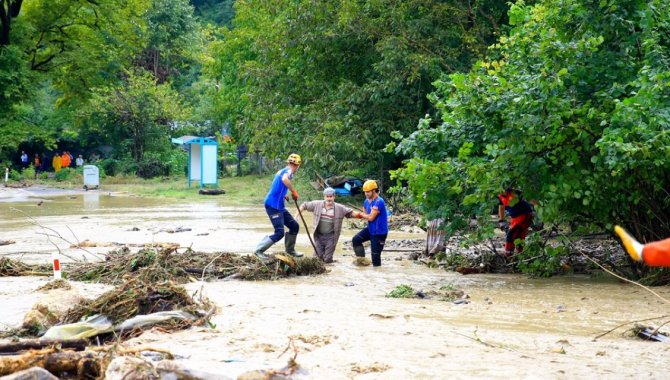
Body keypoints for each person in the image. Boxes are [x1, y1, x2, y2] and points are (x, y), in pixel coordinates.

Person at [254, 153, 304, 261]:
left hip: (278, 205)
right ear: (298, 165)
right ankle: (259, 250)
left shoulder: (281, 170)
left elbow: (277, 185)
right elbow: (284, 180)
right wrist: (293, 191)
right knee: (279, 232)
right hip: (273, 205)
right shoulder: (289, 171)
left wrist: (283, 195)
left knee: (294, 226)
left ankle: (290, 251)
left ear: (288, 162)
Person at [299, 187, 366, 263]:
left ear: (334, 197)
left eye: (331, 196)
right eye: (327, 196)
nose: (329, 199)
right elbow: (304, 205)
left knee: (327, 259)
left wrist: (363, 215)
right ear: (324, 197)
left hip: (331, 237)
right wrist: (297, 215)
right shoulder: (317, 204)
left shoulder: (340, 208)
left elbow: (351, 213)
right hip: (318, 236)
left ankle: (330, 267)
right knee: (316, 258)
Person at [352, 180, 389, 267]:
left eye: (368, 192)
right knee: (356, 239)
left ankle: (377, 273)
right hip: (371, 229)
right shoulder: (366, 201)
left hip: (380, 232)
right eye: (365, 192)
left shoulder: (379, 201)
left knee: (375, 257)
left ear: (374, 190)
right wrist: (357, 215)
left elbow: (371, 218)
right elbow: (365, 214)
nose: (366, 194)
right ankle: (361, 261)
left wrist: (360, 214)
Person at [497, 186, 533, 256]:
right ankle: (520, 255)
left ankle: (508, 256)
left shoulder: (515, 193)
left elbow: (529, 198)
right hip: (515, 218)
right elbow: (501, 207)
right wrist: (501, 220)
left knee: (511, 235)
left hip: (525, 215)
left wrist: (541, 206)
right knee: (519, 237)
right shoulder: (500, 196)